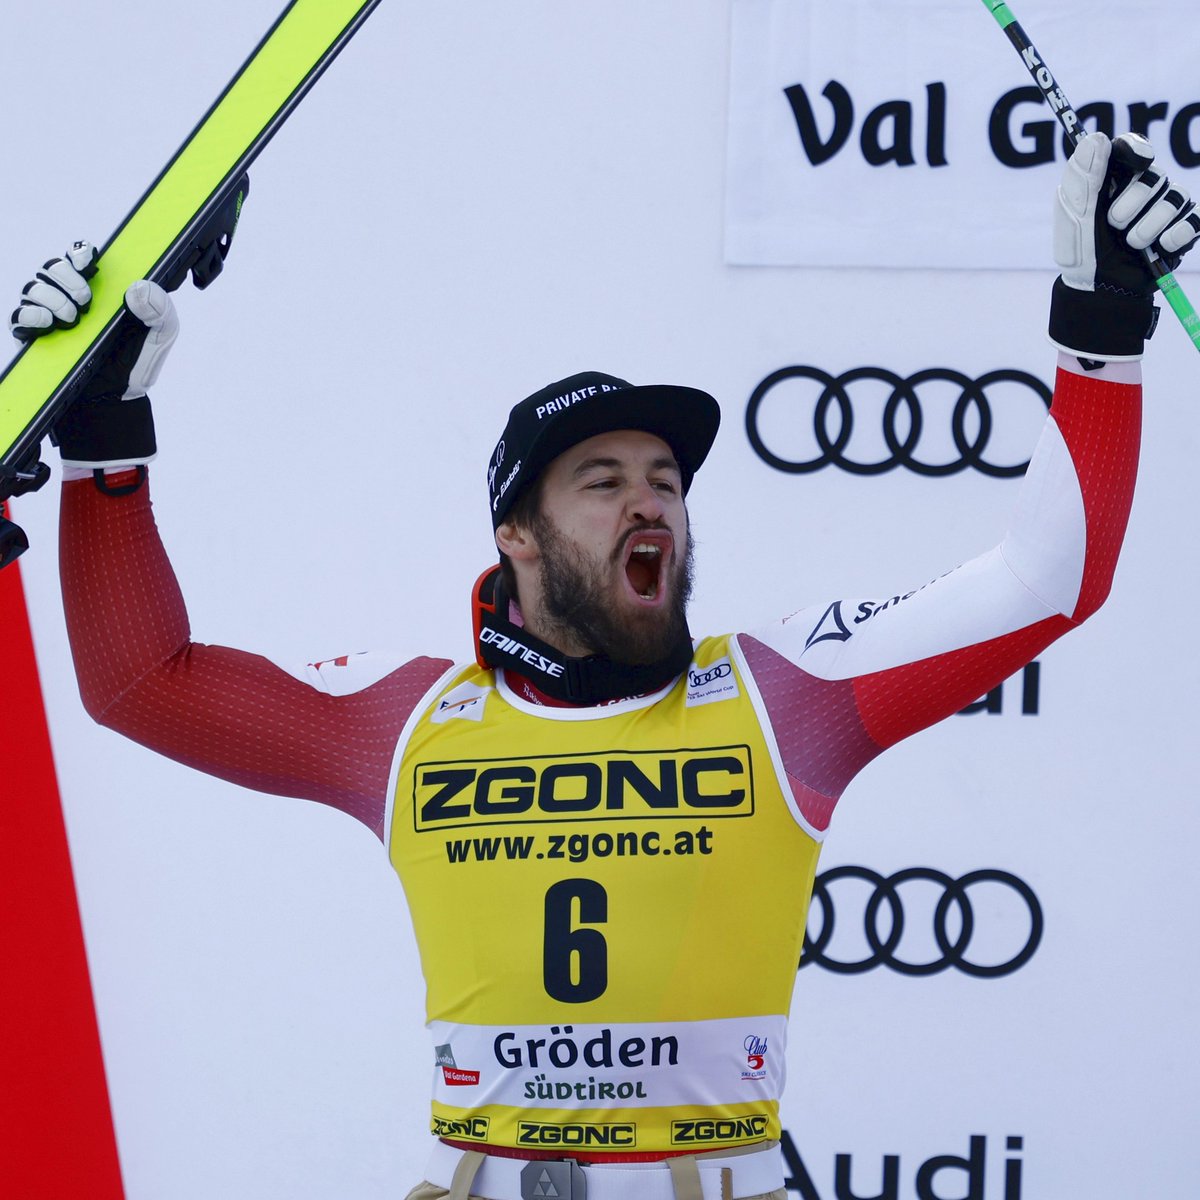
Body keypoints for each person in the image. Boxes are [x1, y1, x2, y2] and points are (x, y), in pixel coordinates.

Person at [12, 131, 1198, 1200]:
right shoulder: (412, 719)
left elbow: (1051, 578)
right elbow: (141, 682)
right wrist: (106, 441)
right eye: (604, 481)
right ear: (514, 537)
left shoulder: (785, 696)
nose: (654, 505)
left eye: (669, 481)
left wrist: (1099, 322)